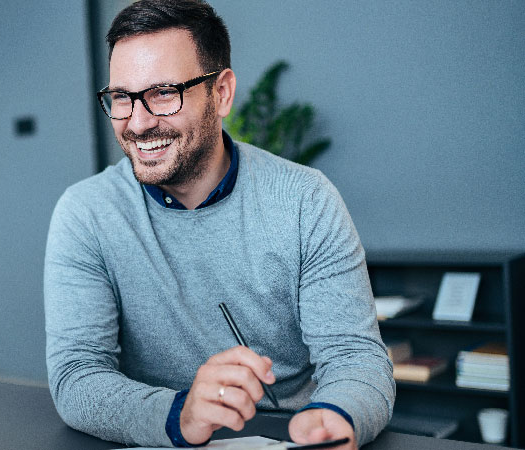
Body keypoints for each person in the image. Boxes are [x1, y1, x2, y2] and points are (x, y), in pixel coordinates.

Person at [44, 1, 394, 448]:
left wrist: (335, 415)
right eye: (121, 98)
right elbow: (77, 378)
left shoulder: (306, 199)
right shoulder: (86, 214)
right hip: (163, 438)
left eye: (164, 93)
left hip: (289, 437)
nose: (139, 122)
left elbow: (355, 357)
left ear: (222, 93)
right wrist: (178, 413)